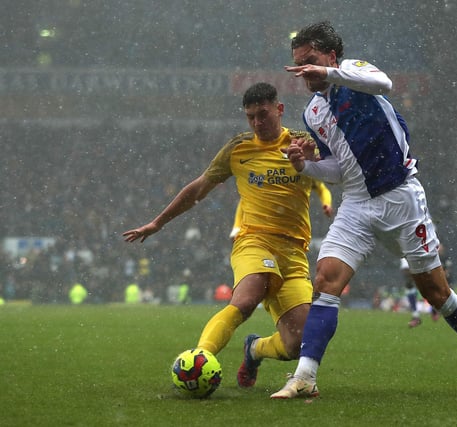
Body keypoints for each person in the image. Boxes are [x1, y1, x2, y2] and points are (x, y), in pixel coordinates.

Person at [270, 21, 457, 399]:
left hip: (400, 197)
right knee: (326, 280)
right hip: (355, 203)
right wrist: (306, 166)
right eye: (299, 65)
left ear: (331, 56)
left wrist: (332, 73)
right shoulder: (313, 113)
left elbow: (384, 84)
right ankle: (305, 376)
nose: (305, 71)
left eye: (311, 61)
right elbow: (339, 167)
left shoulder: (356, 71)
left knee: (437, 293)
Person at [123, 82, 323, 389]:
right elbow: (198, 189)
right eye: (251, 116)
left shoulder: (303, 142)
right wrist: (158, 223)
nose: (257, 122)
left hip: (295, 252)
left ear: (279, 109)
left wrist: (312, 162)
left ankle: (254, 349)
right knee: (247, 298)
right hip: (254, 240)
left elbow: (332, 177)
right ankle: (198, 360)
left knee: (296, 345)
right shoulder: (238, 148)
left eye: (263, 114)